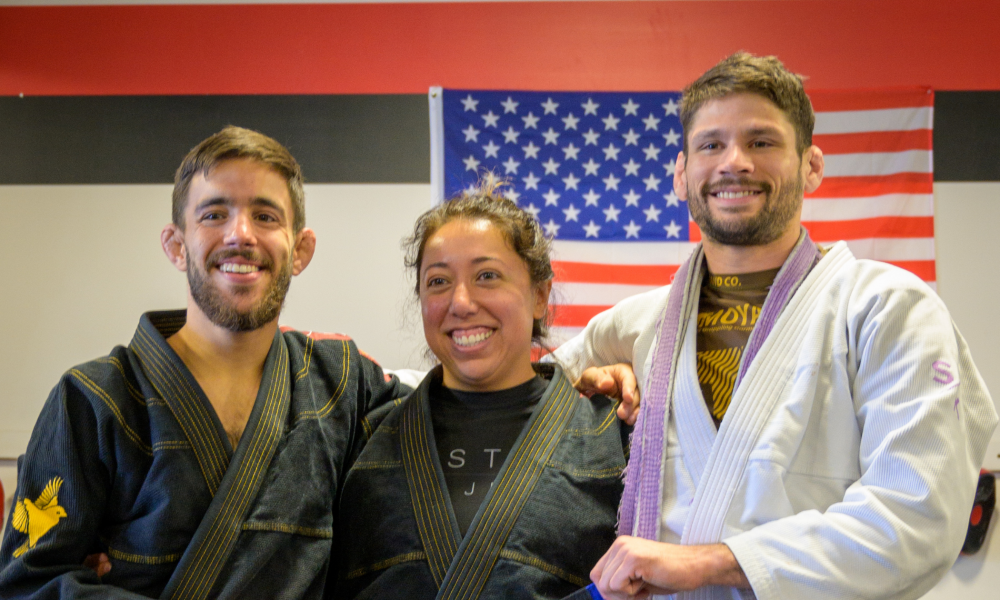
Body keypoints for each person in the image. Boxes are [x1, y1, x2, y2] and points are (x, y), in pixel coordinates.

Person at [553, 53, 999, 600]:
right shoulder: (634, 326)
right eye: (711, 145)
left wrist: (715, 563)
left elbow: (917, 514)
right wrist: (596, 386)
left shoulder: (887, 307)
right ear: (680, 173)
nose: (734, 162)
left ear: (812, 165)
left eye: (761, 142)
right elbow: (516, 405)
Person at [0, 126, 406, 599]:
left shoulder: (340, 384)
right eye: (214, 213)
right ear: (176, 245)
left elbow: (455, 427)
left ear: (300, 250)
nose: (240, 234)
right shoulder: (94, 399)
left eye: (265, 215)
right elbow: (25, 583)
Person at [332, 181, 630, 599]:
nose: (461, 302)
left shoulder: (612, 439)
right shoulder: (364, 438)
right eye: (437, 282)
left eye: (487, 276)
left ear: (540, 294)